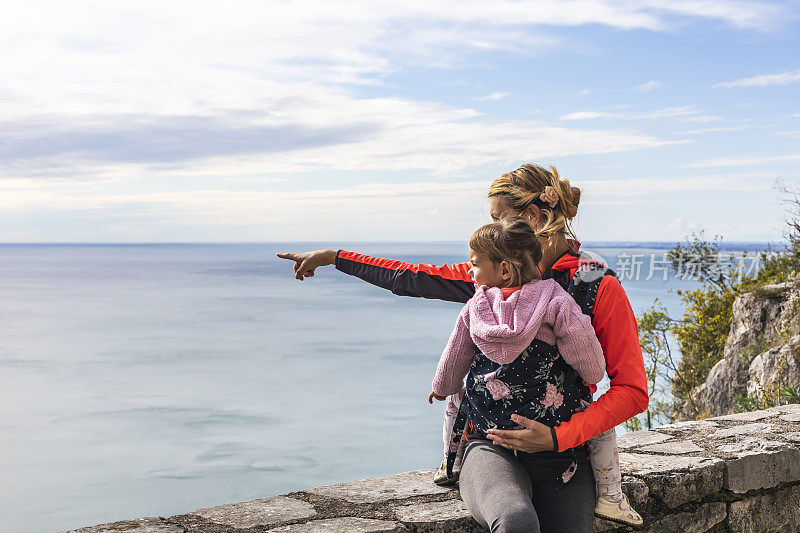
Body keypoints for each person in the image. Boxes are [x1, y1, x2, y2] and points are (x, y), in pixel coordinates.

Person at [277, 163, 649, 531]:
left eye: (496, 218)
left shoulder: (597, 284)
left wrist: (557, 437)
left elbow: (631, 390)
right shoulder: (488, 277)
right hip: (488, 446)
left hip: (562, 454)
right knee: (516, 522)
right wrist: (336, 258)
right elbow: (410, 278)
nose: (489, 229)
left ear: (532, 217)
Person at [427, 217, 642, 528]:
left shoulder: (475, 307)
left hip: (495, 435)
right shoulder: (558, 301)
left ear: (503, 269)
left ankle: (451, 463)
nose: (469, 271)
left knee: (516, 523)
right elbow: (590, 363)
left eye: (474, 264)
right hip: (545, 448)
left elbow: (453, 360)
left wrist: (441, 385)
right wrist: (587, 374)